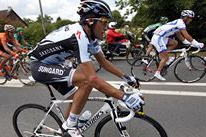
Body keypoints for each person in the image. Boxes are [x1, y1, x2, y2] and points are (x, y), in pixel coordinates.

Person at [28, 0, 144, 137]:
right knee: (86, 81)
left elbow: (103, 62)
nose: (106, 28)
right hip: (39, 66)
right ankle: (70, 126)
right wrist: (124, 97)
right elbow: (92, 79)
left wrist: (126, 77)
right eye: (104, 22)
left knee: (76, 97)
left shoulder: (91, 38)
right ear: (90, 21)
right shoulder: (79, 36)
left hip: (54, 65)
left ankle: (64, 130)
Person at [151, 10, 204, 81]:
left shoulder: (178, 22)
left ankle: (165, 58)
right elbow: (187, 35)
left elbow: (178, 34)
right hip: (158, 38)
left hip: (162, 37)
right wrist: (196, 43)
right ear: (185, 17)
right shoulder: (181, 23)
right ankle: (157, 73)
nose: (191, 20)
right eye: (190, 18)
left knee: (175, 43)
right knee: (165, 57)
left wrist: (187, 42)